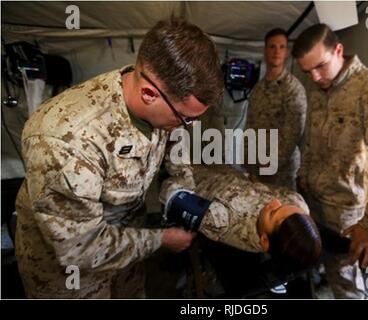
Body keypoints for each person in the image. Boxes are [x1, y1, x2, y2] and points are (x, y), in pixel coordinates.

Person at [14, 19, 223, 299]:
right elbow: (80, 249)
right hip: (69, 273)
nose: (189, 127)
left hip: (128, 246)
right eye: (185, 118)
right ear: (149, 94)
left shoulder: (161, 102)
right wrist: (160, 239)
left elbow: (175, 147)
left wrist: (179, 190)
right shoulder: (64, 141)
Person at [292, 24, 368, 298]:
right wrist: (303, 177)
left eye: (320, 66)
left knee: (345, 282)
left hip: (345, 211)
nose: (315, 77)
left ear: (339, 50)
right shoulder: (320, 89)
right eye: (307, 72)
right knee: (316, 263)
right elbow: (311, 141)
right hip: (313, 200)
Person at [160, 165, 322, 271]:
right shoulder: (298, 206)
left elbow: (170, 195)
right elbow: (263, 187)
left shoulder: (221, 220)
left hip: (192, 175)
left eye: (273, 212)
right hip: (224, 169)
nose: (275, 202)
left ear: (265, 241)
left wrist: (178, 164)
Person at [244, 28, 307, 190]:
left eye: (281, 47)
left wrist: (269, 164)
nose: (276, 51)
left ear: (287, 52)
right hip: (255, 167)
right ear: (265, 51)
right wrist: (247, 159)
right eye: (272, 46)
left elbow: (292, 135)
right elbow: (249, 125)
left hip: (279, 173)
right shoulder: (258, 88)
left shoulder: (293, 89)